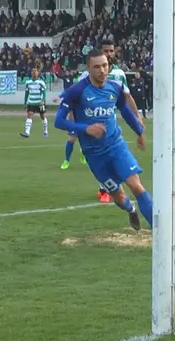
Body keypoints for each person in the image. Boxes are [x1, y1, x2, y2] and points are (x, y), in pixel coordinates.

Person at [54, 52, 153, 231]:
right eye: (97, 67)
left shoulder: (115, 88)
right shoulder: (77, 91)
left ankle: (159, 232)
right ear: (88, 68)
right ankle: (131, 210)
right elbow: (58, 121)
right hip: (94, 155)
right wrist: (86, 129)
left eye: (105, 65)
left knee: (136, 186)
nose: (102, 70)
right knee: (119, 196)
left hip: (116, 146)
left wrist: (139, 132)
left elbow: (124, 111)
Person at [73, 40, 143, 203]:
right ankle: (105, 189)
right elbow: (75, 100)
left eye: (111, 51)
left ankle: (112, 190)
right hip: (91, 124)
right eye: (106, 51)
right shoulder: (86, 76)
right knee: (100, 157)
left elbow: (127, 96)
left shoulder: (119, 74)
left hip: (111, 123)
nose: (109, 54)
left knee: (115, 155)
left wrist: (137, 116)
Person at [20, 68, 48, 138]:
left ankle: (45, 131)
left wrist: (42, 100)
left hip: (40, 103)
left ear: (38, 73)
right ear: (31, 73)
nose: (34, 72)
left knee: (43, 116)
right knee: (29, 115)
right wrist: (25, 103)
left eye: (35, 71)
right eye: (33, 71)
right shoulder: (28, 82)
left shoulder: (41, 82)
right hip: (31, 102)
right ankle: (27, 132)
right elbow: (27, 93)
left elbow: (44, 92)